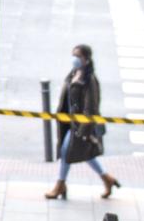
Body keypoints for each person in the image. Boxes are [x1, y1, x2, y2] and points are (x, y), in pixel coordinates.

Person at [46, 45, 121, 200]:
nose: (74, 59)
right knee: (86, 154)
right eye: (73, 55)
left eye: (78, 56)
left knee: (67, 153)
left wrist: (82, 131)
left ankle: (60, 185)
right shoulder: (73, 74)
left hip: (81, 126)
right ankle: (107, 179)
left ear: (86, 59)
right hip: (69, 123)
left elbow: (91, 108)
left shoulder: (89, 80)